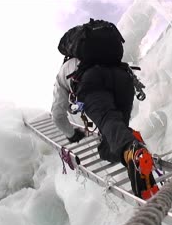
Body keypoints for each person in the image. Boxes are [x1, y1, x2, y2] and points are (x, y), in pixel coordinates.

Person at [51, 19, 159, 200]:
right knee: (111, 138)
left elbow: (57, 115)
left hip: (93, 81)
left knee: (109, 123)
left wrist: (71, 134)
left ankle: (133, 151)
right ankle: (134, 146)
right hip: (123, 80)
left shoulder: (65, 69)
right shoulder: (105, 55)